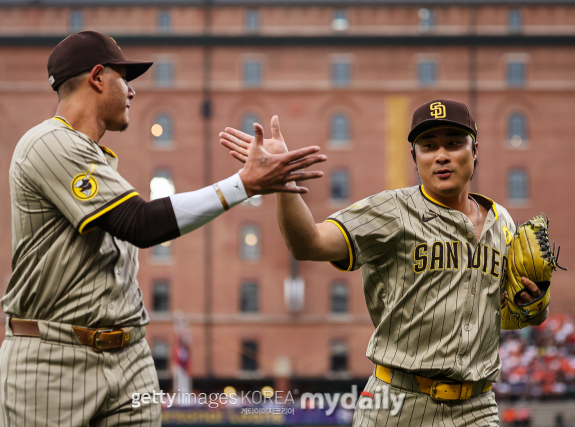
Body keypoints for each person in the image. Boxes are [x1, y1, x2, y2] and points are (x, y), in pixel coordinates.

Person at [0, 31, 326, 427]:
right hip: (51, 359)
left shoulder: (98, 159)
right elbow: (140, 223)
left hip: (129, 356)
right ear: (98, 78)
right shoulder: (47, 142)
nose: (132, 92)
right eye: (124, 78)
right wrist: (243, 184)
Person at [220, 99, 548, 426]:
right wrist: (284, 181)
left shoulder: (502, 222)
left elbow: (506, 315)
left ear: (475, 150)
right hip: (397, 404)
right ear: (414, 158)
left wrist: (534, 304)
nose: (442, 155)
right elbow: (309, 243)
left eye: (454, 143)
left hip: (477, 407)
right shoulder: (391, 211)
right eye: (428, 146)